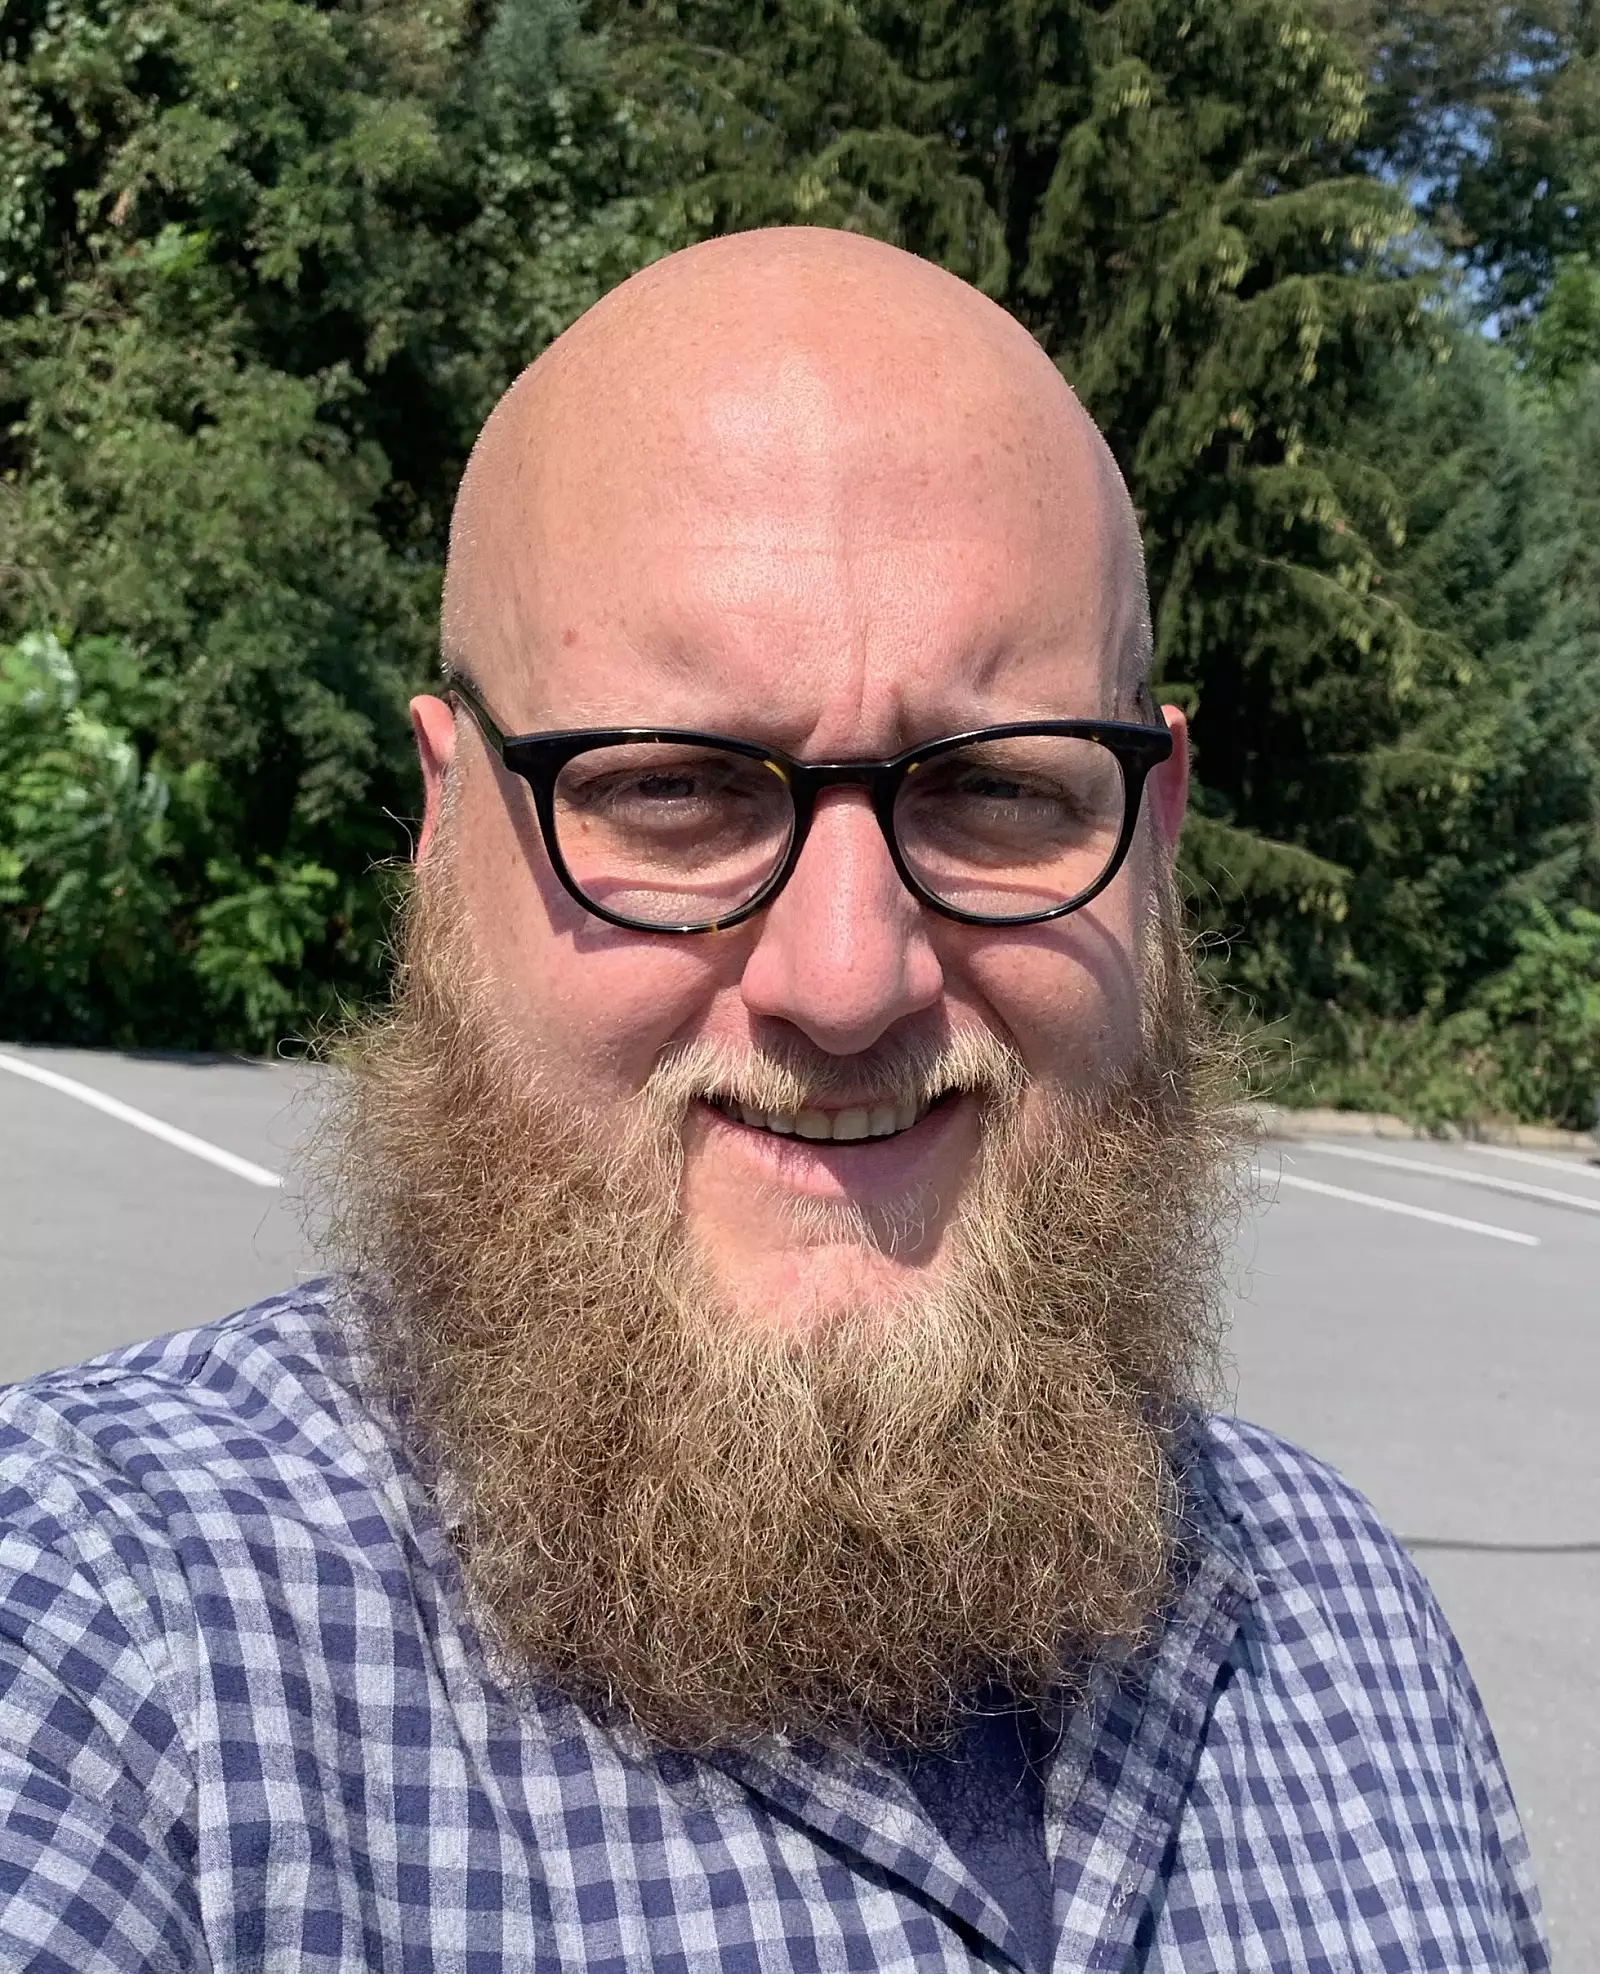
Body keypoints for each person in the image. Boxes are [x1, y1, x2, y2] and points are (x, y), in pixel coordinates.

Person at [0, 229, 1546, 1973]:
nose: (845, 975)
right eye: (669, 790)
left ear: (1157, 836)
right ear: (447, 831)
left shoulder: (1346, 1624)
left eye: (998, 791)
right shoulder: (105, 1651)